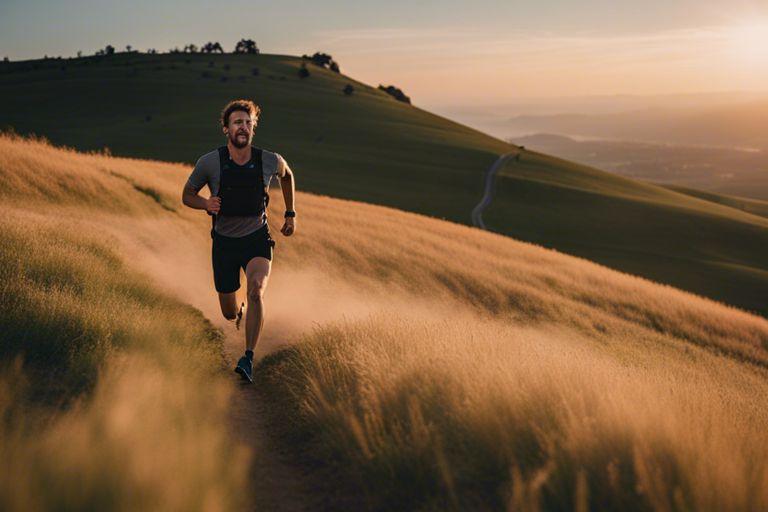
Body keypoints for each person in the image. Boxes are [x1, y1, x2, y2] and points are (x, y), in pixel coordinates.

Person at [182, 99, 296, 383]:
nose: (243, 127)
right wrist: (205, 203)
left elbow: (288, 175)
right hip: (224, 244)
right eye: (237, 123)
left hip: (257, 238)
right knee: (229, 311)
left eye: (247, 122)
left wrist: (291, 213)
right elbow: (187, 195)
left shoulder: (269, 159)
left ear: (253, 127)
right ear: (226, 128)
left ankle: (248, 357)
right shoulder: (209, 162)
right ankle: (240, 314)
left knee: (256, 290)